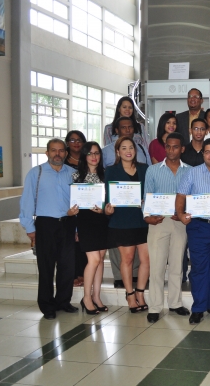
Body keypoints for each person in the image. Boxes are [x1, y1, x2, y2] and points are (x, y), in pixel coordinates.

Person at [19, 139, 77, 320]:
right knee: (46, 267)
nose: (57, 154)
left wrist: (77, 229)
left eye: (61, 151)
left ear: (66, 154)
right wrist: (29, 228)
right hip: (45, 224)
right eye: (54, 150)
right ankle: (47, 305)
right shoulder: (36, 173)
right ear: (47, 153)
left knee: (67, 266)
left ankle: (63, 301)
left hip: (68, 223)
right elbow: (27, 201)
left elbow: (80, 202)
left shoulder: (74, 174)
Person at [176, 138, 210, 324]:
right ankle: (198, 307)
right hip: (198, 226)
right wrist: (181, 214)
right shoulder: (192, 173)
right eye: (208, 151)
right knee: (199, 268)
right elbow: (181, 195)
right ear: (203, 154)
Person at [143, 132, 191, 324]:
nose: (171, 150)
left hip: (180, 223)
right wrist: (148, 217)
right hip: (158, 222)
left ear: (182, 149)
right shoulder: (153, 170)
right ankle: (154, 306)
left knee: (177, 265)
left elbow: (192, 199)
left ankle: (175, 303)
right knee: (156, 266)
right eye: (168, 146)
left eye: (175, 147)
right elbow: (147, 196)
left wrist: (183, 212)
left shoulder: (190, 171)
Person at [104, 136, 150, 313]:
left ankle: (140, 292)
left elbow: (150, 191)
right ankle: (129, 294)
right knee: (128, 259)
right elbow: (108, 197)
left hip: (142, 220)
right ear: (117, 152)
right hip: (122, 221)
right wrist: (106, 209)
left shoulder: (145, 169)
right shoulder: (111, 171)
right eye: (124, 148)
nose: (128, 151)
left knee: (146, 260)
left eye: (131, 147)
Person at [70, 141, 109, 315]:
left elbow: (110, 201)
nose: (94, 157)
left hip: (102, 220)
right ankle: (86, 298)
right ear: (84, 156)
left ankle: (96, 296)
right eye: (90, 153)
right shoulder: (76, 176)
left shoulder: (106, 175)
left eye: (97, 153)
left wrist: (105, 210)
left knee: (100, 260)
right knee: (93, 260)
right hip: (85, 221)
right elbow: (73, 203)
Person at [64, 130, 86, 287]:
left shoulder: (87, 161)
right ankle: (72, 274)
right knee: (70, 243)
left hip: (86, 207)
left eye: (79, 140)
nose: (76, 142)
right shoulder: (63, 164)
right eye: (72, 140)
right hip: (68, 208)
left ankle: (83, 272)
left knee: (83, 242)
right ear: (67, 143)